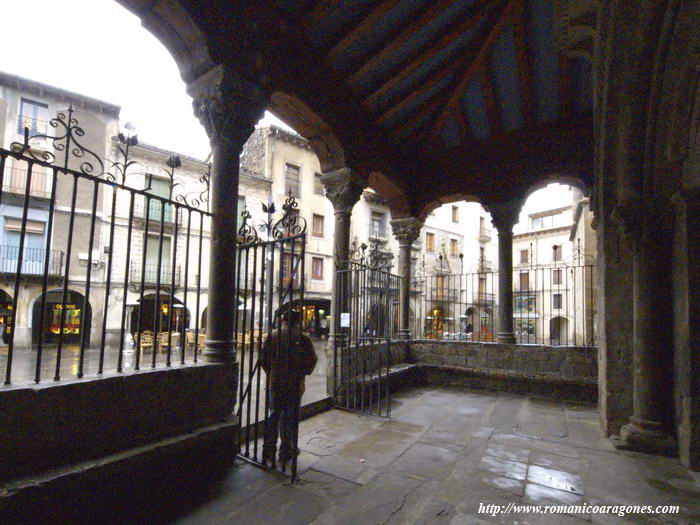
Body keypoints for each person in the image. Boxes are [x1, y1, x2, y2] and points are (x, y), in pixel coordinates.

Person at [260, 308, 317, 466]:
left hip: (275, 381)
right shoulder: (303, 338)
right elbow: (312, 360)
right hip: (294, 383)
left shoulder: (272, 335)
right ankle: (286, 450)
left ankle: (268, 450)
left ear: (283, 320)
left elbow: (263, 359)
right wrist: (303, 373)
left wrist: (271, 373)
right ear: (298, 322)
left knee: (273, 415)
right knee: (289, 417)